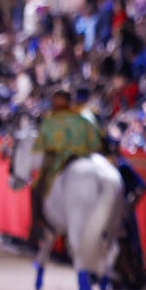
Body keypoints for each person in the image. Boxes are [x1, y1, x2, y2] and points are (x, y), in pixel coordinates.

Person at [30, 88, 105, 243]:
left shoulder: (50, 120)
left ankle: (36, 226)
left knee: (36, 188)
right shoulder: (83, 119)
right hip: (84, 159)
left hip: (60, 163)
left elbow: (39, 148)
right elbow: (96, 143)